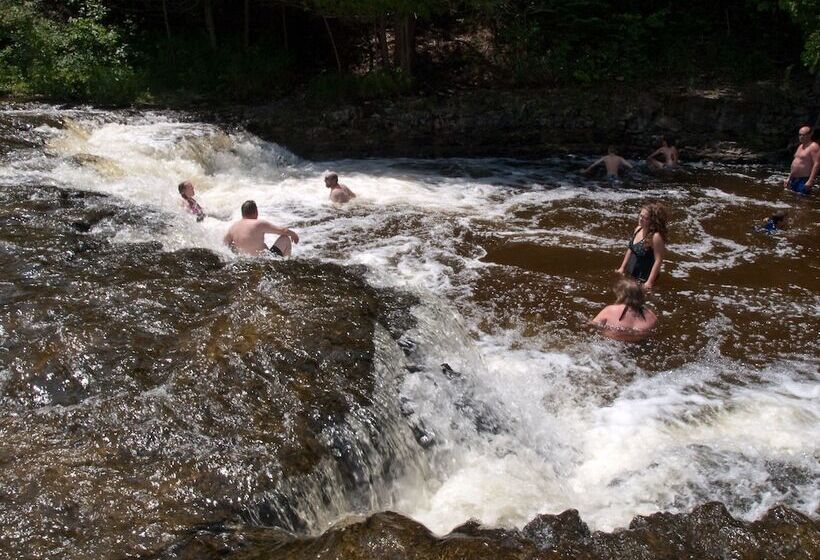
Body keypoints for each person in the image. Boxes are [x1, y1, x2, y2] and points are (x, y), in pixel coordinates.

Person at [616, 203, 668, 291]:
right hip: (632, 271)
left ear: (652, 221)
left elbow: (658, 260)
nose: (641, 219)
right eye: (640, 215)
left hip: (644, 276)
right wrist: (622, 268)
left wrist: (649, 282)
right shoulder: (638, 229)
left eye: (645, 218)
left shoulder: (655, 237)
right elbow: (630, 249)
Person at [591, 278, 658, 342]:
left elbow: (592, 325)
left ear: (621, 295)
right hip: (639, 344)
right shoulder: (651, 316)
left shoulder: (610, 310)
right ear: (641, 295)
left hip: (611, 343)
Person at [223, 200, 299, 256]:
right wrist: (294, 234)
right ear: (256, 212)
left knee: (264, 245)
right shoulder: (259, 224)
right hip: (264, 260)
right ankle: (285, 264)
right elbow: (283, 231)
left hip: (246, 260)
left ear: (242, 213)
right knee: (285, 238)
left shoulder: (233, 227)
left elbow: (225, 244)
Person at [783, 126, 819, 195]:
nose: (801, 137)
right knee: (791, 201)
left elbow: (817, 164)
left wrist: (810, 180)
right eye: (799, 135)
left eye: (803, 135)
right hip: (794, 179)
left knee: (802, 202)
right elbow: (795, 163)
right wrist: (789, 178)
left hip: (804, 180)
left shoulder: (814, 146)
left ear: (810, 134)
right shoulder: (800, 146)